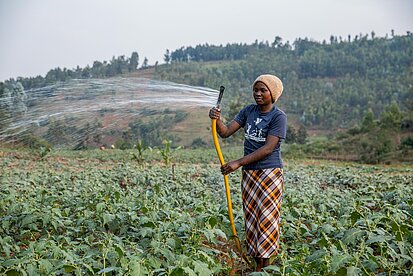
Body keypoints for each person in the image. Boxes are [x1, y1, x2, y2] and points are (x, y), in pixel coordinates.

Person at [209, 74, 287, 272]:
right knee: (252, 217)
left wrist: (237, 162)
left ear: (273, 94)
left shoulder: (278, 117)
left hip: (269, 173)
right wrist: (217, 120)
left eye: (263, 90)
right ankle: (256, 266)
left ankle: (265, 268)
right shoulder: (248, 111)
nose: (258, 94)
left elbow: (268, 148)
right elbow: (225, 132)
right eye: (256, 90)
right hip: (250, 174)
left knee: (267, 219)